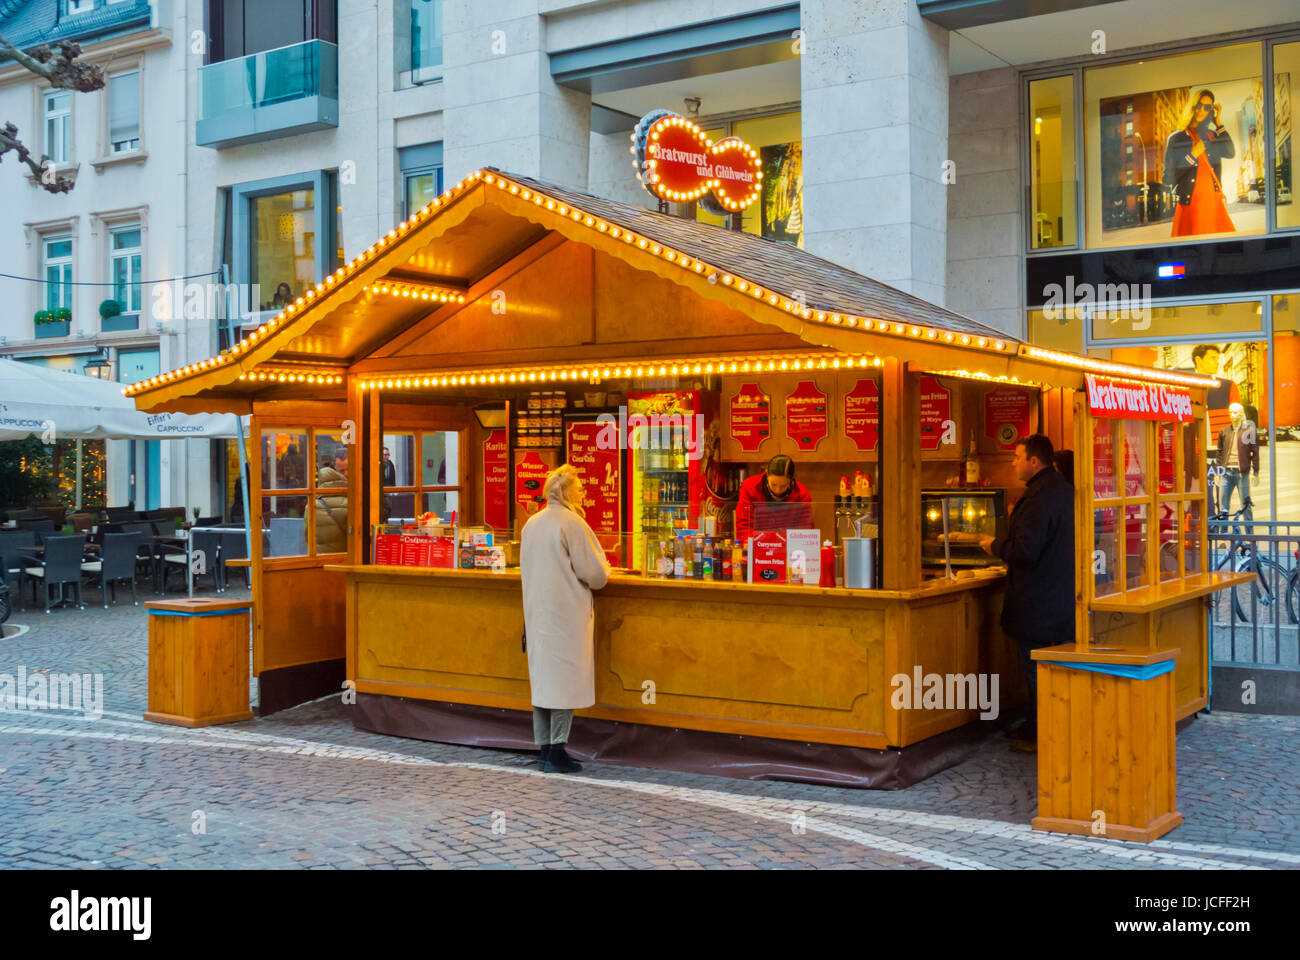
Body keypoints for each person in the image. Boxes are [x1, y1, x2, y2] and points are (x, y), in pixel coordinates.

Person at [978, 434, 1074, 753]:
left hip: (1038, 603)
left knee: (1036, 671)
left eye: (1017, 457)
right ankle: (1050, 728)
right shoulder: (1063, 490)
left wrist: (994, 546)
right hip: (1060, 599)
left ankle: (1040, 734)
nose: (1013, 462)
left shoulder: (1039, 497)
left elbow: (1025, 551)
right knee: (1052, 673)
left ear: (1035, 461)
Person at [520, 464, 610, 774]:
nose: (584, 492)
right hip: (567, 614)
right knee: (563, 681)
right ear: (565, 492)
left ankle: (544, 748)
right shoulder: (572, 523)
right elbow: (595, 575)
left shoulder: (531, 524)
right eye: (580, 487)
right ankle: (558, 750)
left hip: (537, 612)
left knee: (544, 680)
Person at [1162, 89, 1235, 238]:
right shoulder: (1176, 138)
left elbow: (1230, 152)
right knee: (1191, 250)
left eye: (1207, 107)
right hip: (1190, 205)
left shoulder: (1211, 135)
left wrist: (1218, 123)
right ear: (1193, 105)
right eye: (1200, 105)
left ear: (1210, 111)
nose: (1202, 110)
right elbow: (1168, 178)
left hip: (1213, 203)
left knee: (1219, 249)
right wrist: (1192, 155)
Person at [734, 454, 814, 546]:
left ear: (793, 479)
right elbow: (744, 526)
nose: (777, 490)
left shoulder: (802, 495)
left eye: (783, 486)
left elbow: (804, 532)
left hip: (787, 548)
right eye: (774, 484)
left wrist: (784, 546)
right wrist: (760, 544)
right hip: (757, 545)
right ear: (767, 474)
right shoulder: (750, 487)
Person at [1216, 402, 1259, 518]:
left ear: (1241, 414)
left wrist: (1255, 472)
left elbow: (1255, 452)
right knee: (1223, 507)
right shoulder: (1223, 432)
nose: (1232, 415)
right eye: (1230, 412)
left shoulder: (1249, 431)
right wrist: (1218, 472)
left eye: (1235, 412)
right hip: (1226, 473)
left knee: (1246, 506)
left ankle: (1249, 535)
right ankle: (1223, 534)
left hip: (1241, 474)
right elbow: (1219, 453)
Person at [315, 444, 349, 554]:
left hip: (322, 558)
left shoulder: (316, 497)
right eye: (342, 471)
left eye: (349, 469)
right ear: (334, 468)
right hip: (347, 555)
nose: (346, 474)